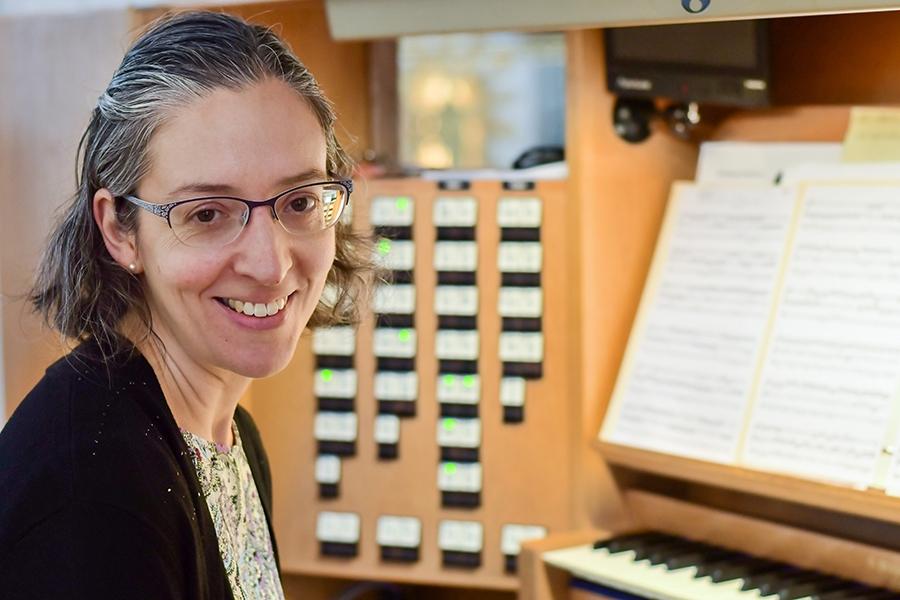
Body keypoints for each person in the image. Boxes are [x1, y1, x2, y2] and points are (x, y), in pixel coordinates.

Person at [0, 11, 372, 599]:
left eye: (299, 202)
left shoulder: (227, 434)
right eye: (206, 214)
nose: (270, 264)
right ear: (120, 231)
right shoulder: (91, 488)